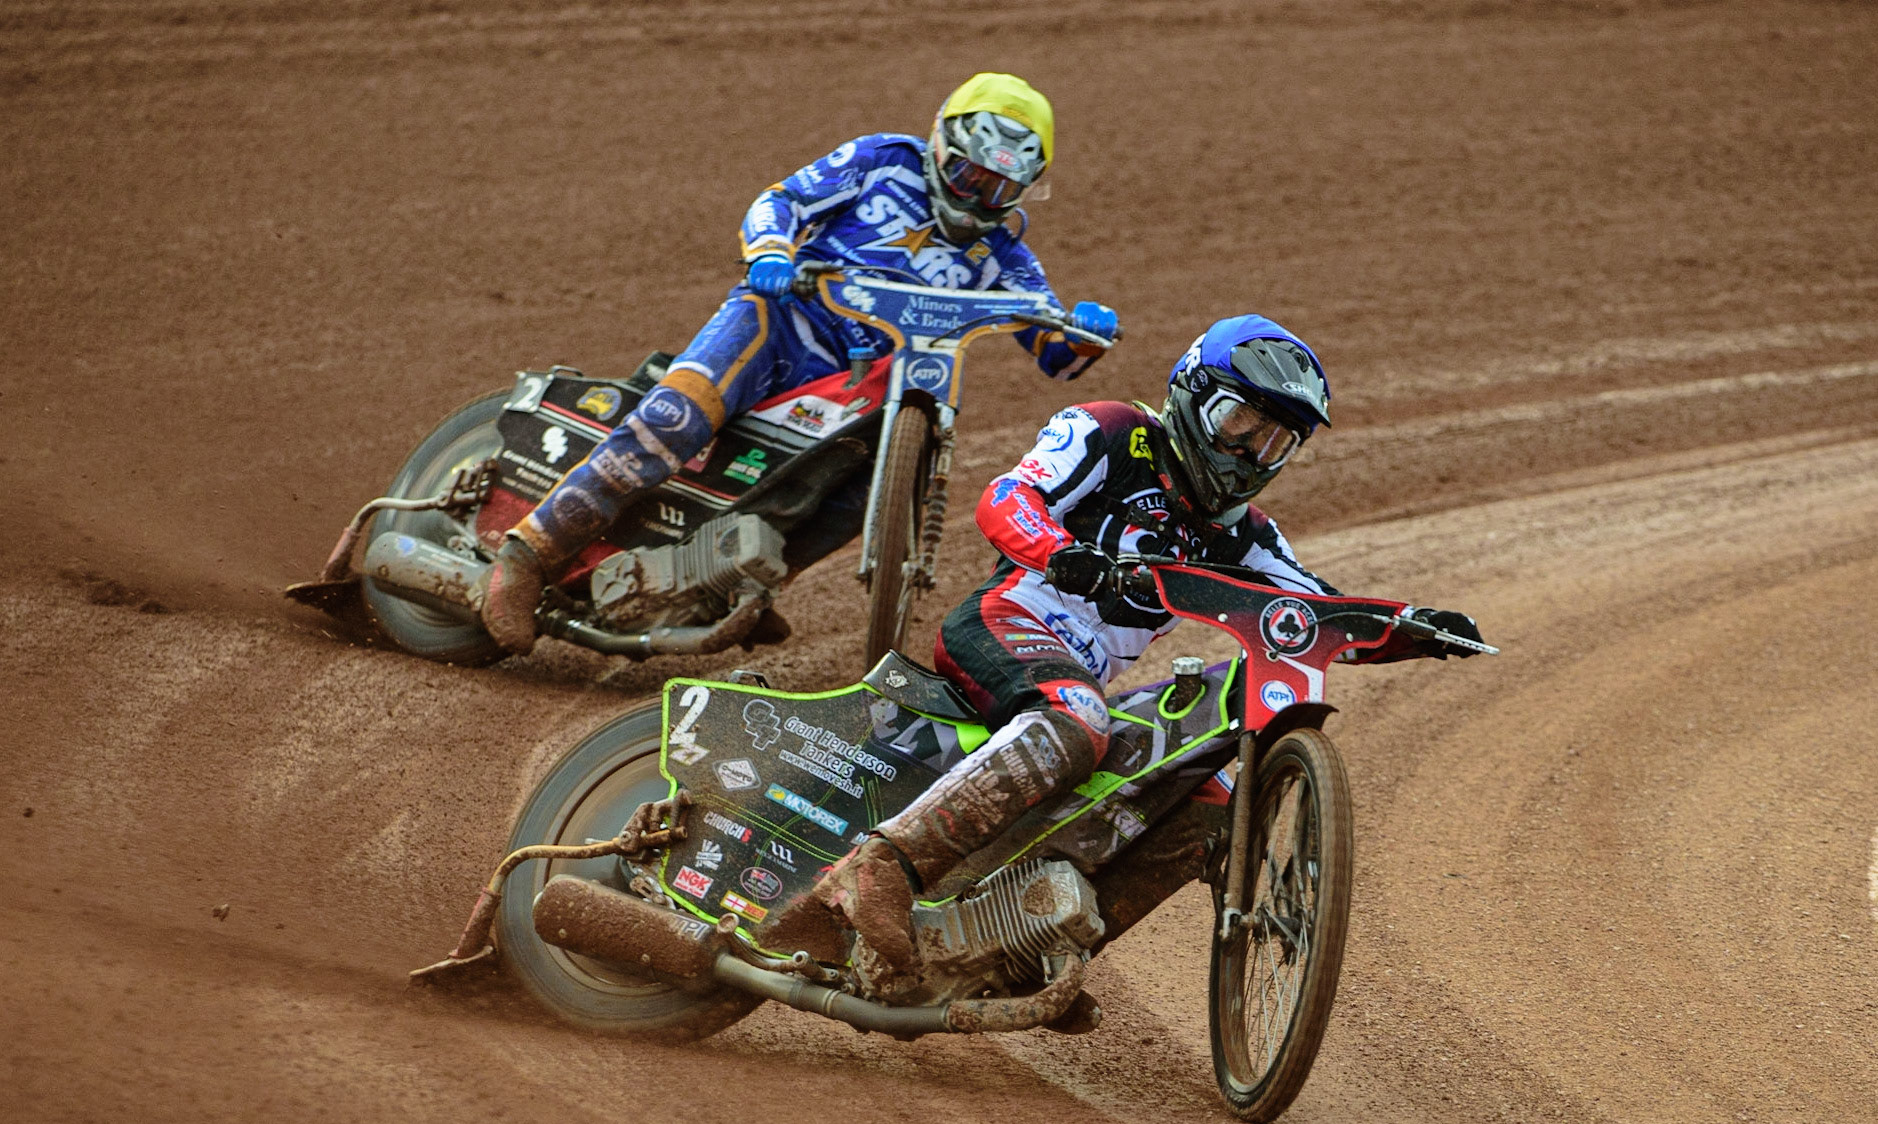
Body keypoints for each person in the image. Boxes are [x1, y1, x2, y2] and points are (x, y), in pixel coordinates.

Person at [780, 314, 1483, 976]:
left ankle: (1019, 956)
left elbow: (1313, 616)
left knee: (1204, 785)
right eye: (1240, 423)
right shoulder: (1113, 431)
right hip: (1006, 620)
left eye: (1275, 441)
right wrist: (1059, 553)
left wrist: (1412, 625)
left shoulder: (1248, 536)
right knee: (1080, 719)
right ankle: (880, 867)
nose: (1250, 452)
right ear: (1193, 394)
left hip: (1074, 680)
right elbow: (1006, 497)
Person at [478, 72, 1121, 653]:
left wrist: (1087, 332)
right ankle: (528, 555)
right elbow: (781, 201)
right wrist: (771, 251)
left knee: (865, 491)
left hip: (864, 385)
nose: (980, 198)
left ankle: (740, 584)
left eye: (1000, 187)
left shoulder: (1005, 253)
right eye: (970, 177)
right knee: (674, 420)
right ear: (940, 146)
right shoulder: (881, 161)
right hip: (782, 323)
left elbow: (1057, 355)